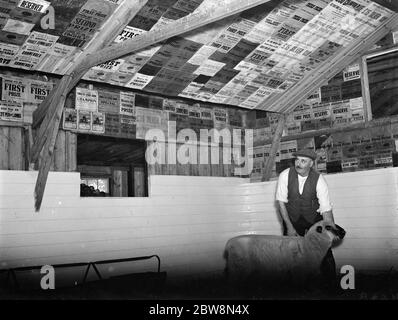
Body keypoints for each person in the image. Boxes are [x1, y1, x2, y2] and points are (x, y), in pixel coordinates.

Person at [275, 148, 337, 291]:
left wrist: (329, 232)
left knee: (325, 250)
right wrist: (289, 227)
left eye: (303, 161)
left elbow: (326, 209)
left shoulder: (319, 180)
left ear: (311, 164)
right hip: (291, 217)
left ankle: (332, 285)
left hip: (312, 218)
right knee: (289, 250)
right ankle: (291, 287)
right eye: (297, 160)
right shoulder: (285, 175)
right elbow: (281, 203)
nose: (299, 163)